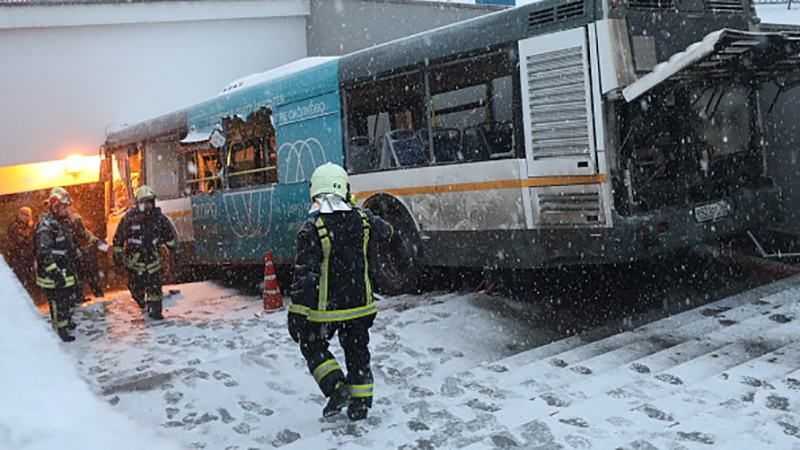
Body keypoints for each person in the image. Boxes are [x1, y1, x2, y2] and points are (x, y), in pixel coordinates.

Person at [288, 162, 394, 421]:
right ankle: (360, 405)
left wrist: (297, 312)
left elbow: (305, 276)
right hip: (361, 305)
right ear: (344, 189)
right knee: (358, 352)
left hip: (328, 309)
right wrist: (358, 209)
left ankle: (336, 387)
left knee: (312, 346)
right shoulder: (363, 219)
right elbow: (388, 232)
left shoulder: (312, 228)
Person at [112, 185, 177, 320]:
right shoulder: (129, 219)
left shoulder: (159, 219)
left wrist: (174, 252)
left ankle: (156, 310)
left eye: (150, 202)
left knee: (155, 288)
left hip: (153, 262)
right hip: (135, 263)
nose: (148, 205)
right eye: (145, 202)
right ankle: (140, 299)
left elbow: (169, 237)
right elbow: (119, 237)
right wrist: (117, 253)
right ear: (139, 203)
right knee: (136, 289)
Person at [34, 188, 81, 342]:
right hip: (53, 273)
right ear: (54, 206)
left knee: (70, 298)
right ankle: (60, 330)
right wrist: (53, 270)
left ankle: (66, 321)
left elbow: (67, 242)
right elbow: (43, 251)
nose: (66, 209)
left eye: (66, 206)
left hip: (65, 269)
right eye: (63, 206)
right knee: (58, 302)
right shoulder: (45, 226)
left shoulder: (63, 222)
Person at [6, 206, 36, 292]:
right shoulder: (14, 226)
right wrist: (29, 231)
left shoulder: (29, 225)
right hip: (18, 257)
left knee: (29, 278)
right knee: (20, 279)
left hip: (28, 257)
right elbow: (20, 240)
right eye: (26, 215)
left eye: (29, 215)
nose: (28, 218)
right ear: (21, 215)